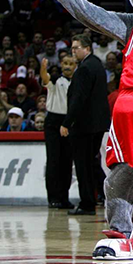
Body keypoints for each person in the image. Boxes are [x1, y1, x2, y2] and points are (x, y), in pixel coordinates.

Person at [63, 34, 111, 216]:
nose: (73, 51)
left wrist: (67, 122)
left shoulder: (84, 69)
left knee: (83, 165)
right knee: (92, 163)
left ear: (87, 48)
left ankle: (87, 203)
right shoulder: (97, 64)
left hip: (84, 125)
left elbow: (79, 99)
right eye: (72, 48)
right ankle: (102, 195)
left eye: (76, 48)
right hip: (97, 124)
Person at [41, 55, 77, 209]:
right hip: (53, 122)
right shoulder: (56, 79)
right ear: (61, 65)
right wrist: (43, 68)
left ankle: (64, 197)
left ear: (75, 66)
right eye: (65, 63)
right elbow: (45, 78)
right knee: (54, 161)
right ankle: (53, 197)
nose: (68, 66)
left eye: (71, 64)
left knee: (67, 162)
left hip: (69, 122)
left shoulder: (77, 82)